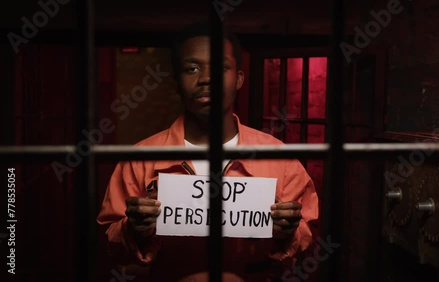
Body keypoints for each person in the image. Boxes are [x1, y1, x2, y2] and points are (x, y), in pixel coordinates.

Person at [96, 21, 319, 282]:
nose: (205, 78)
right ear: (177, 81)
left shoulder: (278, 157)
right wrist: (134, 229)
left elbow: (308, 237)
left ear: (238, 79)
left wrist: (287, 232)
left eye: (220, 67)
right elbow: (110, 243)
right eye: (192, 68)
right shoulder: (141, 158)